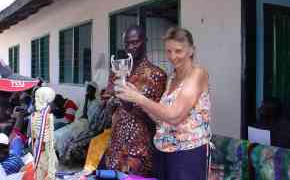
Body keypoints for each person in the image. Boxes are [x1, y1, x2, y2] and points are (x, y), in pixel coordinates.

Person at [115, 27, 212, 180]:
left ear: (191, 50)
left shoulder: (197, 74)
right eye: (169, 51)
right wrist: (137, 97)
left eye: (178, 51)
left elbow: (175, 116)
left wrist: (139, 98)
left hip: (187, 154)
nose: (173, 56)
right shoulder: (172, 78)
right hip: (163, 152)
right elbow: (162, 118)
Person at [100, 25, 167, 177]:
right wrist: (107, 101)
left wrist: (132, 106)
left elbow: (160, 120)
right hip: (116, 145)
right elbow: (108, 110)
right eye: (127, 43)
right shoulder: (117, 73)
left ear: (145, 41)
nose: (131, 47)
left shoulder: (156, 75)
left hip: (138, 150)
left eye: (135, 42)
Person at [54, 81, 107, 164]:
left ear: (94, 91)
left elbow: (87, 117)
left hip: (86, 124)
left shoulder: (96, 104)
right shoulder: (85, 101)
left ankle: (61, 155)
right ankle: (56, 153)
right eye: (87, 90)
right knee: (58, 133)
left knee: (67, 135)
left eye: (90, 90)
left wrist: (86, 101)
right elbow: (79, 114)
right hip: (78, 122)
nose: (88, 92)